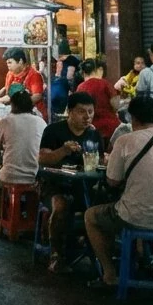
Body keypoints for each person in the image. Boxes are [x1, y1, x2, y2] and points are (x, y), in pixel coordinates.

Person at [85, 96, 153, 289]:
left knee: (91, 216)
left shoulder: (125, 140)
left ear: (133, 118)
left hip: (135, 216)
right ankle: (143, 258)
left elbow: (112, 181)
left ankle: (109, 274)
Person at [36, 90, 103, 272]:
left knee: (106, 205)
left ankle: (99, 254)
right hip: (53, 185)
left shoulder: (94, 135)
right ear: (70, 111)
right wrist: (63, 151)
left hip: (85, 187)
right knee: (61, 205)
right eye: (82, 111)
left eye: (90, 112)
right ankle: (56, 255)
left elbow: (101, 160)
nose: (87, 116)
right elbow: (42, 159)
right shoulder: (54, 130)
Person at [0, 89, 45, 217]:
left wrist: (3, 156)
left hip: (9, 177)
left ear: (12, 105)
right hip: (35, 177)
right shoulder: (41, 122)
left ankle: (1, 214)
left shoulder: (5, 121)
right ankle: (30, 215)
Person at [74, 59, 121, 145]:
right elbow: (116, 105)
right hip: (111, 127)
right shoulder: (105, 84)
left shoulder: (80, 87)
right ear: (96, 70)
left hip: (90, 129)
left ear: (83, 73)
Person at [0, 47, 47, 119]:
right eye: (7, 63)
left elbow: (37, 96)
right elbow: (7, 90)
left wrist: (16, 103)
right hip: (16, 113)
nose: (8, 65)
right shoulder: (10, 74)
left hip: (34, 115)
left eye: (10, 62)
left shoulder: (34, 75)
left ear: (20, 61)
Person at [51, 42, 80, 115]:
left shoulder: (71, 60)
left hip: (68, 86)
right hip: (63, 86)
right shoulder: (67, 60)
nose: (60, 58)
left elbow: (69, 76)